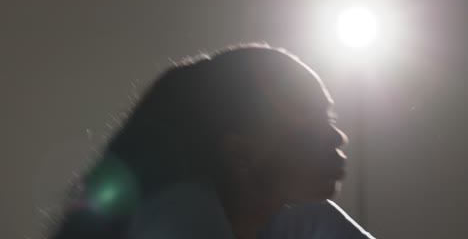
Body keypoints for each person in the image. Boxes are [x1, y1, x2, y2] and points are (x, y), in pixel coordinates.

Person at [49, 43, 373, 239]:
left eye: (329, 119)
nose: (336, 136)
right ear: (241, 152)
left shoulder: (297, 218)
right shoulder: (178, 218)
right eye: (309, 127)